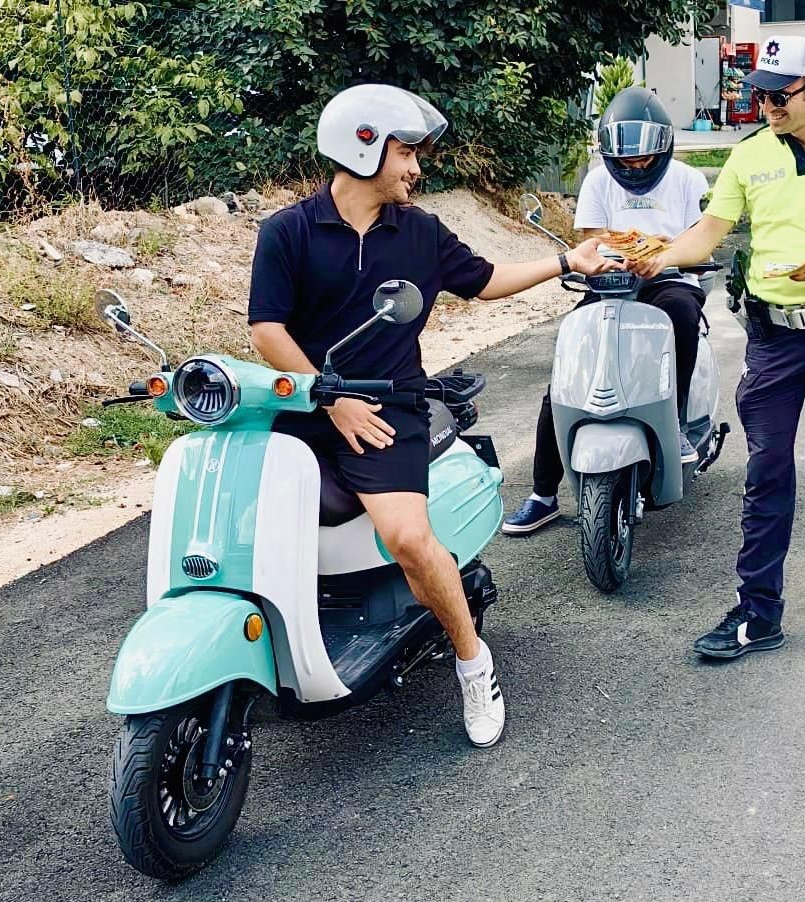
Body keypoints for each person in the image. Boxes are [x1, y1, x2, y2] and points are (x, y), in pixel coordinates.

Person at [247, 84, 618, 746]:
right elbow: (267, 333)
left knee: (411, 540)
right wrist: (329, 398)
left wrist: (566, 260)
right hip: (308, 403)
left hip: (391, 406)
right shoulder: (288, 232)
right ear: (363, 146)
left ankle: (474, 665)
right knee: (249, 523)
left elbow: (483, 279)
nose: (417, 167)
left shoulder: (417, 231)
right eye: (407, 152)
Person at [627, 35, 805, 658]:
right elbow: (706, 235)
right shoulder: (749, 155)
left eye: (778, 95)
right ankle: (759, 612)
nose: (765, 106)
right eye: (758, 93)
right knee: (767, 473)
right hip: (774, 337)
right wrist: (657, 258)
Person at [502, 88, 711, 536]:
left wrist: (664, 256)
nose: (634, 167)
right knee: (570, 366)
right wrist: (616, 260)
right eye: (625, 161)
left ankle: (671, 424)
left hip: (672, 278)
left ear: (664, 148)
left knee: (681, 316)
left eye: (644, 159)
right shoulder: (598, 180)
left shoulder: (689, 180)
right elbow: (595, 240)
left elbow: (699, 240)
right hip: (611, 281)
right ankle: (543, 493)